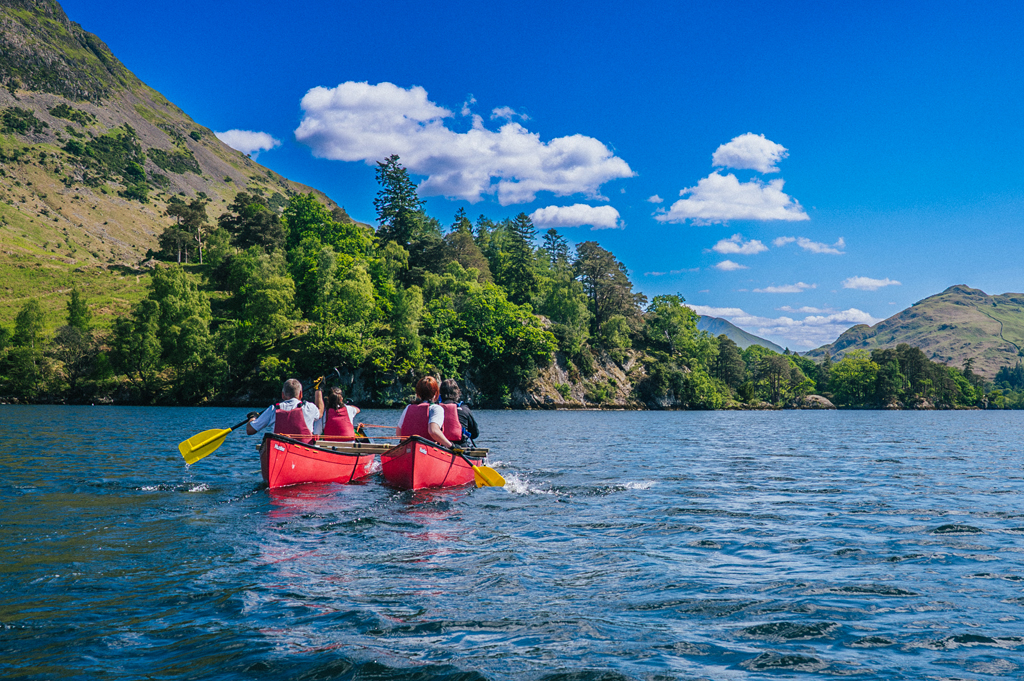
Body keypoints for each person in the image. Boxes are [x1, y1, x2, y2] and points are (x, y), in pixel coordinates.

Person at [246, 378, 324, 445]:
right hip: (304, 452)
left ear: (282, 395)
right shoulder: (309, 407)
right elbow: (320, 411)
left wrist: (253, 417)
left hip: (279, 449)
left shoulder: (273, 409)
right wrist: (318, 389)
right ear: (300, 394)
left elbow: (250, 430)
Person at [395, 376, 462, 448]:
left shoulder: (408, 407)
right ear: (436, 393)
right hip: (426, 450)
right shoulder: (436, 409)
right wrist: (451, 446)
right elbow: (433, 431)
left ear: (418, 393)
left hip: (409, 448)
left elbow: (399, 433)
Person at [439, 378, 479, 447]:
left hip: (440, 446)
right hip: (460, 446)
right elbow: (475, 434)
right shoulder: (464, 409)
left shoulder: (435, 409)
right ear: (457, 393)